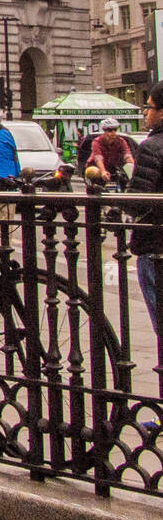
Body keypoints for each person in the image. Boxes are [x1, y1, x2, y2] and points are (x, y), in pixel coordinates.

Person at [126, 83, 163, 336]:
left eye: (149, 107)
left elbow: (138, 201)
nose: (146, 113)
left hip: (155, 247)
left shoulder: (152, 147)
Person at [88, 117, 131, 188]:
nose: (113, 132)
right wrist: (103, 171)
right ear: (104, 131)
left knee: (123, 180)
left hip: (112, 166)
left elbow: (127, 155)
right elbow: (98, 158)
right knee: (97, 178)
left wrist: (133, 170)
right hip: (96, 167)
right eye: (110, 130)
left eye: (115, 129)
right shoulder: (97, 141)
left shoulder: (121, 141)